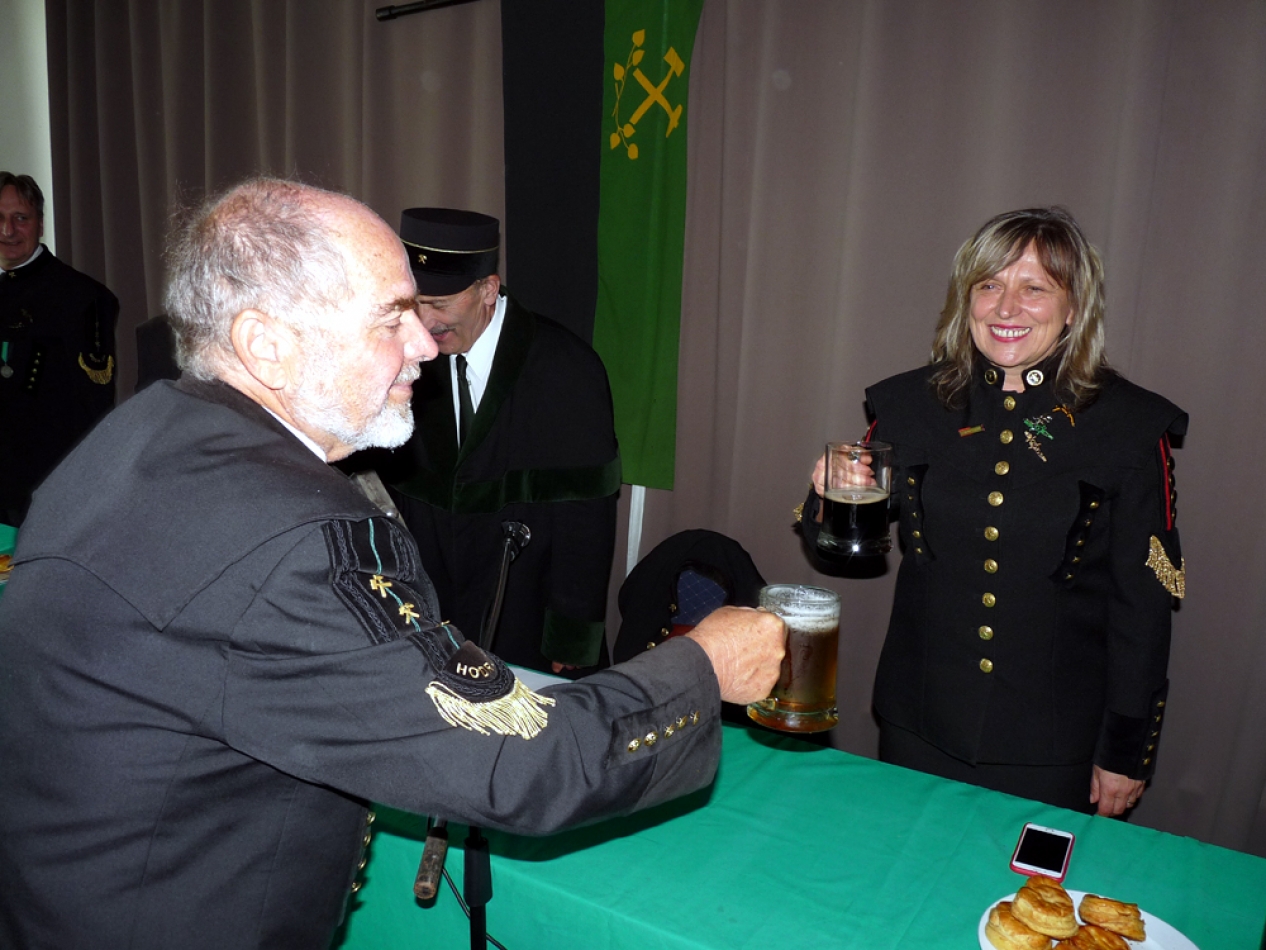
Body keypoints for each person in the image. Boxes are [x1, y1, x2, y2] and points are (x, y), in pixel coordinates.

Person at [0, 178, 785, 949]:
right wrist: (703, 666)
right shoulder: (298, 540)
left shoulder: (141, 430)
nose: (423, 345)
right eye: (390, 319)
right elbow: (517, 768)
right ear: (267, 345)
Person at [802, 207, 1185, 817]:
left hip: (1053, 742)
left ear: (1074, 307)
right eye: (989, 285)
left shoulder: (1131, 426)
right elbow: (841, 541)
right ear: (967, 300)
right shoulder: (910, 403)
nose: (1007, 308)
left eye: (1035, 288)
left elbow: (1145, 606)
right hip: (919, 720)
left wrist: (1126, 749)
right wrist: (827, 493)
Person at [368, 207, 619, 676]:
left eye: (439, 304)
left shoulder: (566, 369)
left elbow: (587, 519)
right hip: (433, 617)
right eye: (413, 304)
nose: (424, 322)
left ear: (487, 289)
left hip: (526, 616)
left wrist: (572, 637)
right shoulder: (403, 358)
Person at [0, 171, 117, 526]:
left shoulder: (82, 298)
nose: (8, 230)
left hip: (44, 495)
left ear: (40, 224)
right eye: (0, 219)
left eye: (20, 218)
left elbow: (92, 412)